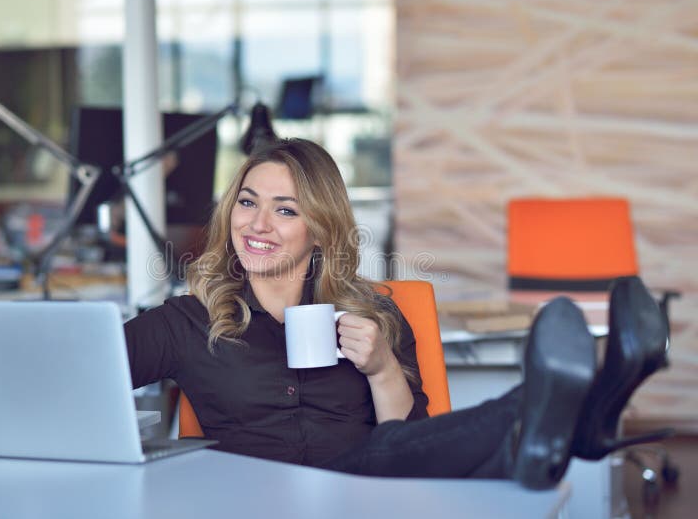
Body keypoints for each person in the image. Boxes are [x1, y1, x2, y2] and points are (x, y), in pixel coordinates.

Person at [124, 138, 670, 489]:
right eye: (247, 202)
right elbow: (86, 382)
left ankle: (561, 421)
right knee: (412, 458)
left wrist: (383, 368)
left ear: (320, 229)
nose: (257, 224)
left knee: (393, 452)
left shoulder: (374, 312)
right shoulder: (187, 322)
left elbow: (415, 445)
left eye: (284, 210)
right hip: (256, 500)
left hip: (370, 497)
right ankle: (578, 412)